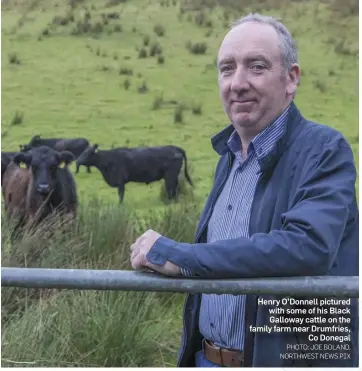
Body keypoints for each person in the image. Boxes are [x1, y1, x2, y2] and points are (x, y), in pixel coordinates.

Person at [130, 13, 358, 367]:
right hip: (205, 358)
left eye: (256, 66)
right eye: (226, 68)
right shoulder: (230, 156)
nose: (237, 83)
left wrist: (183, 257)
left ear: (291, 78)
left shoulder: (323, 149)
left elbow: (308, 246)